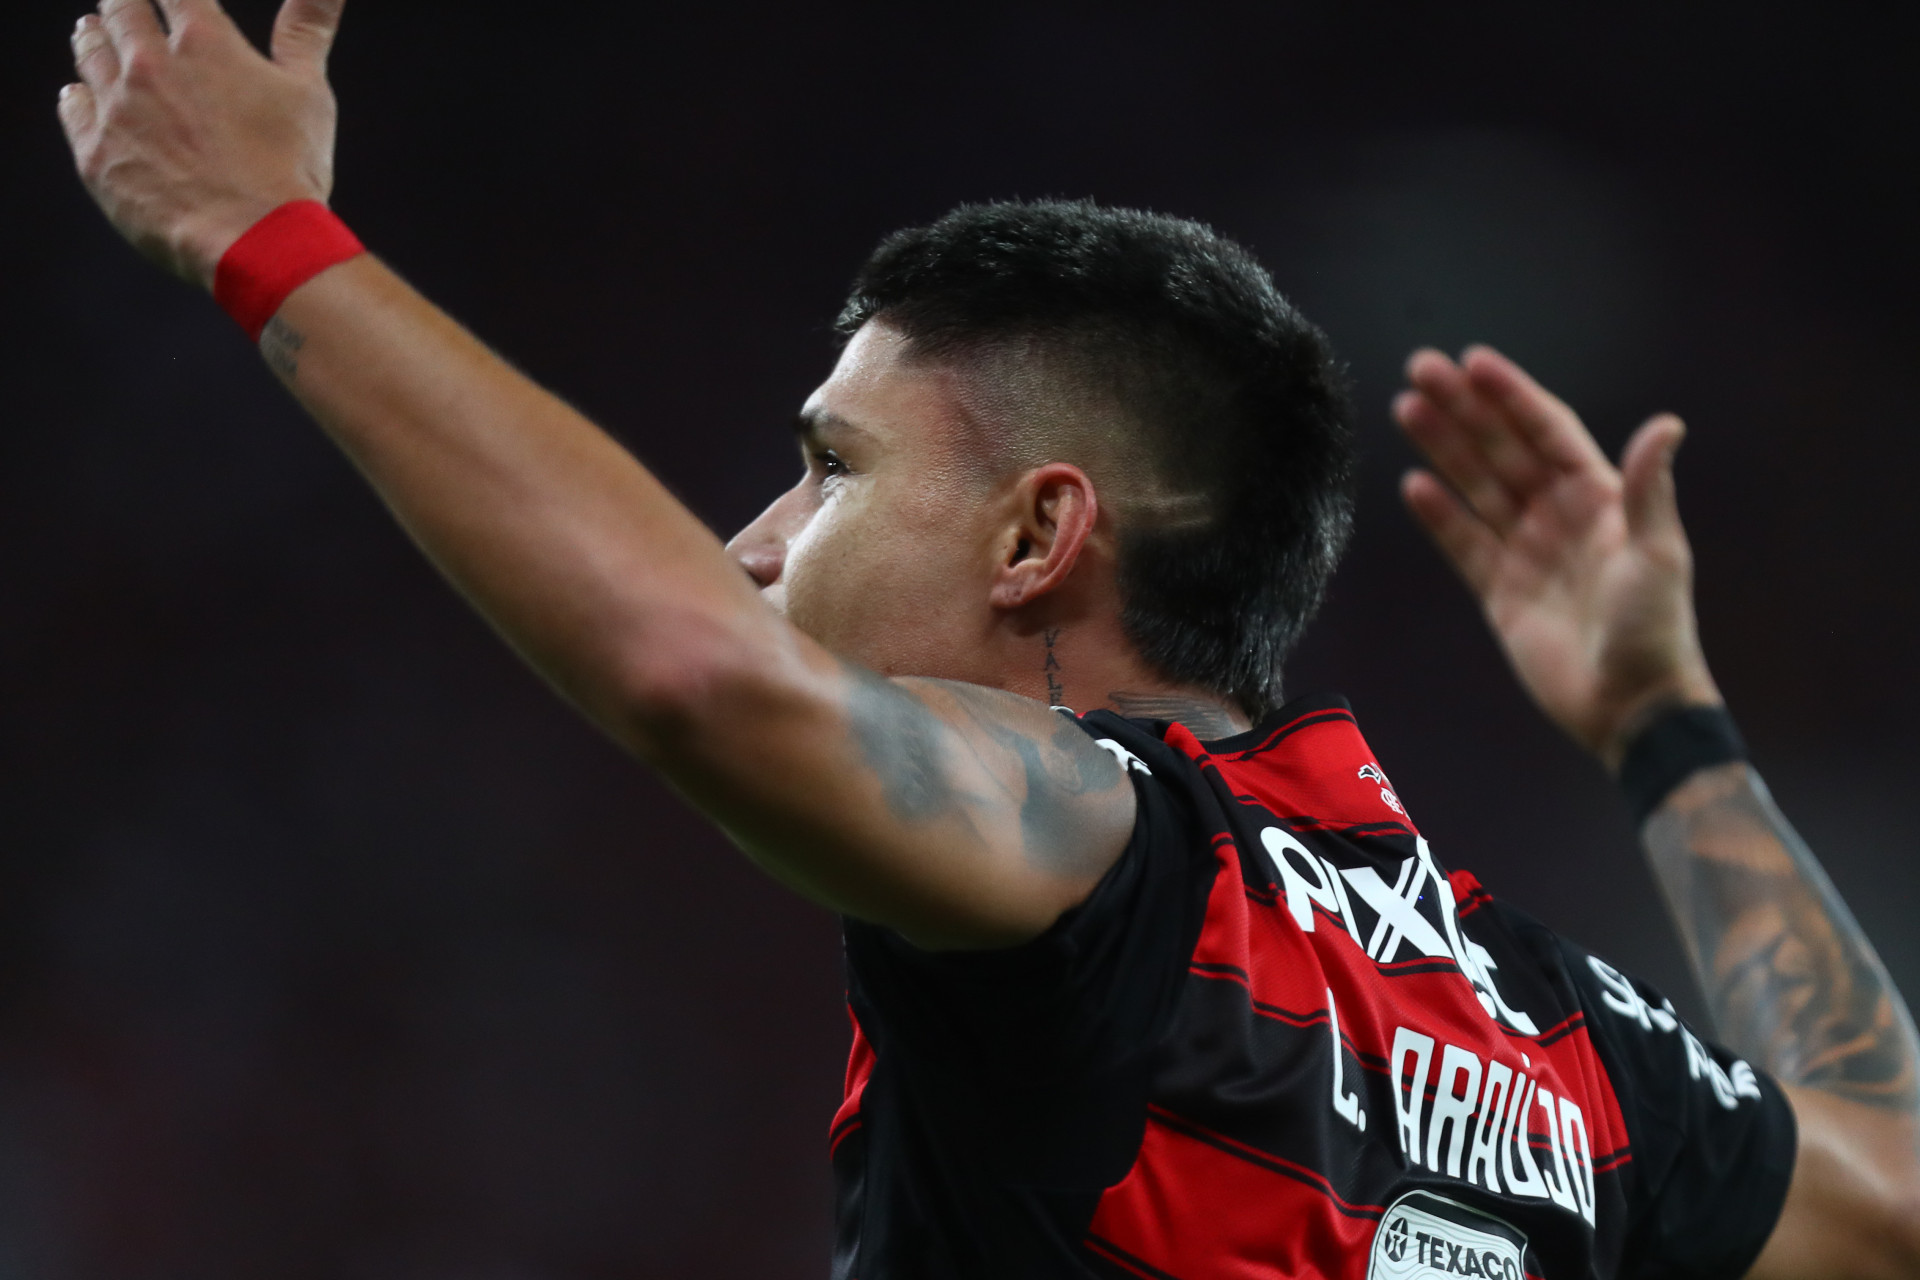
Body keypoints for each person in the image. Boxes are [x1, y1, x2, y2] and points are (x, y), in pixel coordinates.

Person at [54, 2, 1920, 1277]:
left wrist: (260, 233)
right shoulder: (1555, 1043)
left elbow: (696, 672)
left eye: (827, 468)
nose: (756, 545)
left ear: (1041, 536)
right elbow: (1895, 1194)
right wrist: (1665, 720)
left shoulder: (1106, 861)